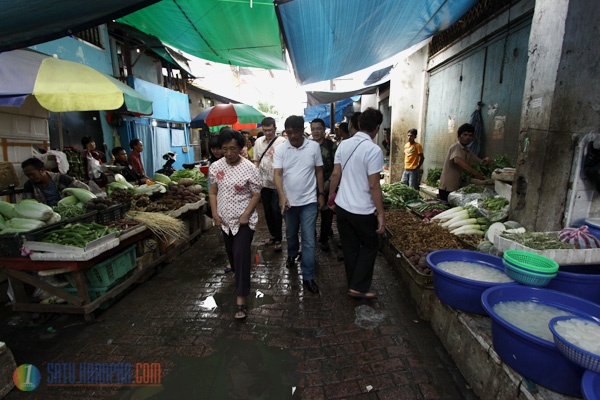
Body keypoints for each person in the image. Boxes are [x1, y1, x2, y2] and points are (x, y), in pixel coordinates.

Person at [328, 108, 385, 300]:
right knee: (371, 245)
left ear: (358, 124)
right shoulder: (374, 150)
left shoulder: (343, 145)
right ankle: (358, 287)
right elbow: (374, 185)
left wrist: (331, 197)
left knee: (350, 247)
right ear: (377, 128)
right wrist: (381, 213)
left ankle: (354, 284)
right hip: (362, 210)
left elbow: (336, 174)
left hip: (343, 207)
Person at [209, 129, 262, 320]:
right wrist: (215, 214)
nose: (229, 153)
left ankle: (241, 300)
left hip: (243, 221)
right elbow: (213, 192)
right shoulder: (216, 167)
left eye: (233, 149)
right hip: (224, 221)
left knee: (241, 256)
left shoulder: (250, 168)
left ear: (241, 148)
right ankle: (239, 279)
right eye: (225, 149)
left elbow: (256, 193)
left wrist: (246, 214)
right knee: (232, 257)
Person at [274, 116, 324, 294]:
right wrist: (281, 196)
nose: (293, 135)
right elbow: (278, 174)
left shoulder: (314, 147)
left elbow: (319, 170)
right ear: (286, 131)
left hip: (309, 201)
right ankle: (292, 253)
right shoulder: (281, 149)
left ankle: (308, 276)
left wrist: (320, 193)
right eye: (289, 132)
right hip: (289, 202)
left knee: (309, 239)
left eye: (296, 131)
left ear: (303, 130)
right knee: (291, 233)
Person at [254, 117, 286, 252]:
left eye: (270, 130)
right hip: (263, 183)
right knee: (267, 211)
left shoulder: (282, 142)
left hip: (277, 184)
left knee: (276, 210)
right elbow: (256, 161)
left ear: (275, 128)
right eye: (265, 130)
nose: (267, 133)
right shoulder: (258, 142)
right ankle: (273, 235)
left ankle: (279, 238)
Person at [438, 123, 492, 202]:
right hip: (447, 187)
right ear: (459, 136)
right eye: (465, 135)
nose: (467, 137)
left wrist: (487, 160)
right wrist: (475, 173)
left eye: (470, 135)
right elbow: (457, 160)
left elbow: (480, 162)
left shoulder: (468, 151)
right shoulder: (456, 147)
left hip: (456, 187)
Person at [310, 118, 337, 252]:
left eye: (318, 128)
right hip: (310, 186)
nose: (315, 132)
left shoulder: (331, 146)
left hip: (328, 185)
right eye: (313, 129)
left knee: (327, 213)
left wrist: (329, 182)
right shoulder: (307, 146)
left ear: (323, 130)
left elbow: (337, 167)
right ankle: (311, 235)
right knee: (311, 213)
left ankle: (324, 239)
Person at [21, 157, 90, 206]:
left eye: (32, 174)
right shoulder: (29, 186)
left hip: (67, 211)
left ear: (42, 170)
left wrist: (73, 200)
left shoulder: (61, 178)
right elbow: (28, 203)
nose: (30, 177)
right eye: (27, 175)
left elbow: (85, 188)